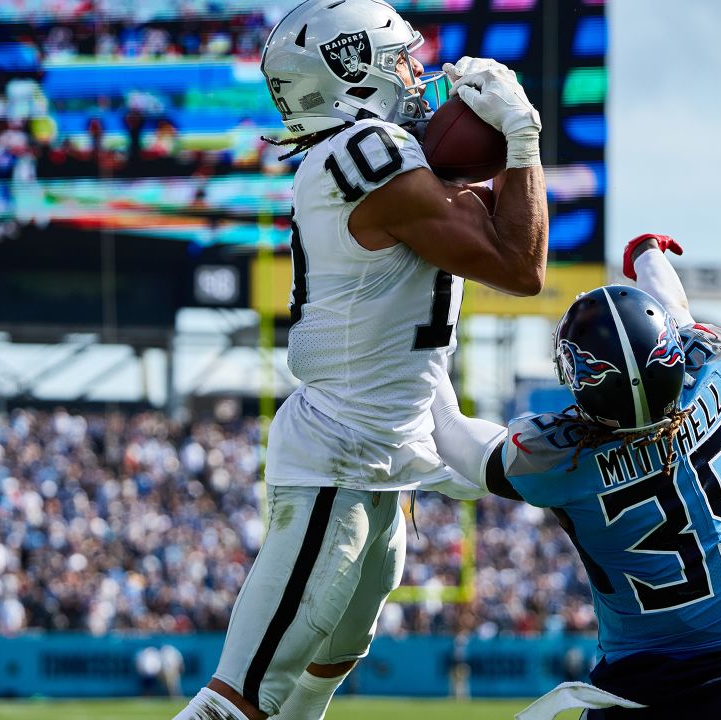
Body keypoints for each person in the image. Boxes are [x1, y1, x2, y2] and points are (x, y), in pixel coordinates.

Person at [174, 0, 548, 718]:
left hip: (380, 454)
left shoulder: (379, 157)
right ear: (353, 67)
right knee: (242, 699)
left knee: (325, 669)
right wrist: (521, 137)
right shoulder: (364, 154)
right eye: (401, 57)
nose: (417, 73)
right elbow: (520, 265)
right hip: (338, 460)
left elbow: (497, 234)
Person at [430, 234, 721, 718]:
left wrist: (417, 348)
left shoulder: (565, 459)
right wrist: (646, 254)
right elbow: (676, 312)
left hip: (637, 674)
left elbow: (454, 437)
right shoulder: (715, 367)